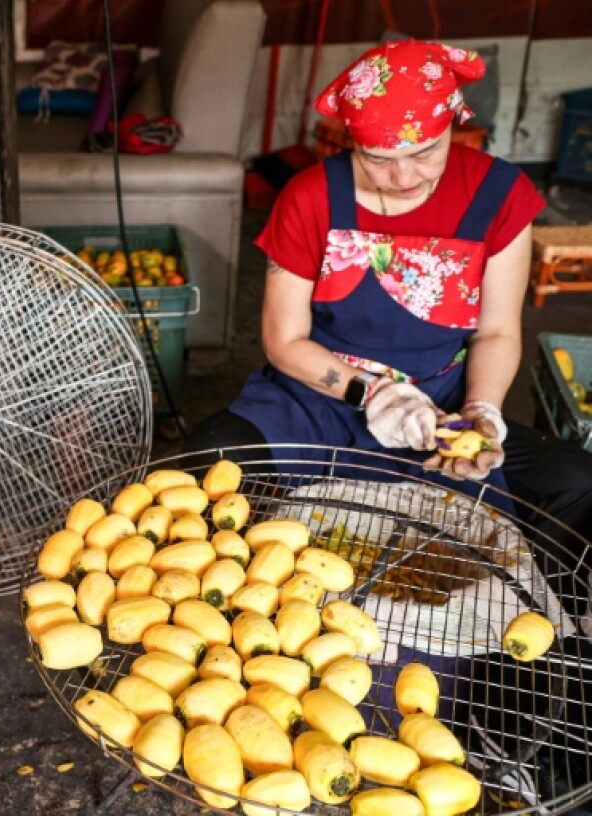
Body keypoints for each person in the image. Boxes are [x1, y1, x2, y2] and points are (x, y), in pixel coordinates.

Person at [186, 40, 592, 565]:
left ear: (456, 125)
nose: (405, 178)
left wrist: (482, 410)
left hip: (443, 409)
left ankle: (540, 630)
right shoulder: (309, 198)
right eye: (378, 159)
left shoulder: (500, 194)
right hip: (316, 400)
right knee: (208, 458)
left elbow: (496, 332)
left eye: (426, 152)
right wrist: (373, 396)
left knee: (577, 484)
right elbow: (283, 340)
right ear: (351, 142)